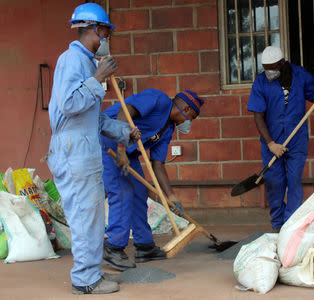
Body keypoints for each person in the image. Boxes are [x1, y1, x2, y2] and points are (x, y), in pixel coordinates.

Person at [46, 3, 141, 295]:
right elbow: (69, 105)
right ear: (95, 30)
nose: (106, 38)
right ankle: (85, 281)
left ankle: (90, 273)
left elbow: (94, 118)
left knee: (93, 217)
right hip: (73, 152)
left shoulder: (86, 63)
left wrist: (124, 132)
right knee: (86, 218)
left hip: (82, 150)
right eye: (105, 32)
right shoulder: (72, 60)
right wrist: (98, 78)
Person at [101, 89, 204, 271]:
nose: (188, 123)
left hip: (127, 150)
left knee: (140, 192)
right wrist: (121, 148)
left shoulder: (168, 130)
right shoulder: (158, 99)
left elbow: (158, 165)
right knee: (122, 191)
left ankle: (144, 247)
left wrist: (171, 197)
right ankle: (113, 248)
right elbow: (126, 111)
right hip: (109, 139)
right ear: (187, 109)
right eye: (192, 118)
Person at [247, 46, 314, 232]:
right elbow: (258, 116)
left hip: (296, 138)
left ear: (282, 64)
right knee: (275, 182)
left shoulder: (299, 74)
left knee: (294, 181)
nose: (269, 72)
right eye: (266, 68)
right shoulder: (260, 82)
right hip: (272, 141)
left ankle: (292, 224)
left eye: (273, 68)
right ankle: (277, 224)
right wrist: (271, 144)